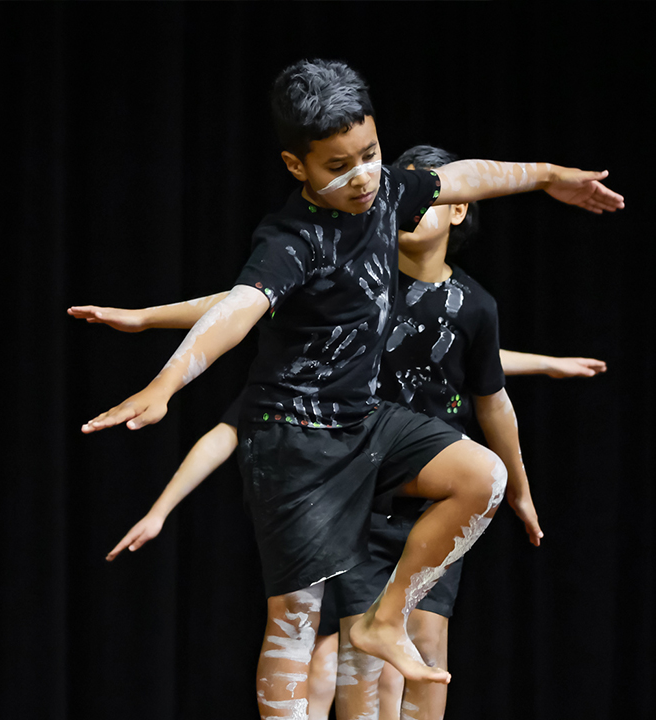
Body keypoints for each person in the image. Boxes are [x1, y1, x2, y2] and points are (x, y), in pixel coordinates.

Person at [76, 59, 622, 719]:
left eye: (369, 154)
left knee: (482, 477)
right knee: (299, 622)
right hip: (292, 440)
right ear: (296, 166)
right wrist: (166, 381)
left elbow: (467, 175)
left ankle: (383, 620)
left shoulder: (393, 194)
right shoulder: (292, 241)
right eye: (338, 166)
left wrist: (552, 178)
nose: (362, 176)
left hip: (364, 424)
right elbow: (241, 306)